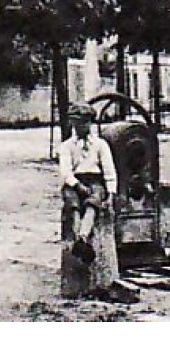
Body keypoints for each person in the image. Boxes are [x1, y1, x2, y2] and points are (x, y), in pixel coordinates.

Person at [58, 103, 117, 265]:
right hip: (74, 182)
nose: (80, 127)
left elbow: (109, 170)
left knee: (93, 201)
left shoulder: (100, 145)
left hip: (94, 180)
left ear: (90, 123)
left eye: (84, 122)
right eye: (76, 123)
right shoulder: (66, 146)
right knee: (73, 203)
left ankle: (83, 236)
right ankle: (79, 236)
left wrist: (111, 193)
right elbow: (66, 171)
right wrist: (76, 185)